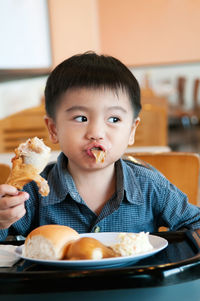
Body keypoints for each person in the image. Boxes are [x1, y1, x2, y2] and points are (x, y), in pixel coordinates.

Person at [0, 52, 200, 241]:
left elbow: (194, 223)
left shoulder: (150, 186)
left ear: (131, 131)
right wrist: (2, 221)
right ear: (54, 129)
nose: (96, 132)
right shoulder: (32, 193)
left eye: (114, 118)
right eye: (81, 118)